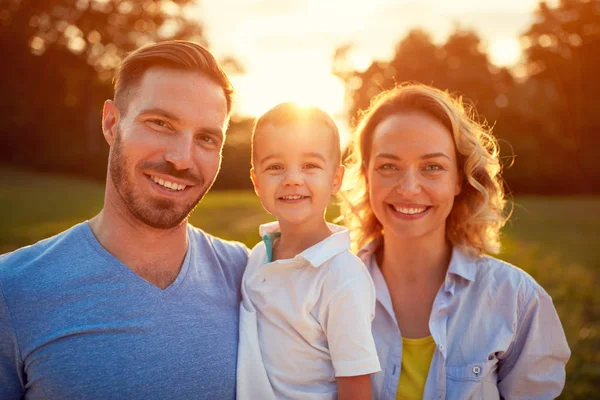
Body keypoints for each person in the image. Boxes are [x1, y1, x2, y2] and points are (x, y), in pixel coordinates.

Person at [0, 41, 249, 399]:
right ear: (112, 123)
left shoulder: (249, 276)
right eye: (161, 123)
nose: (181, 158)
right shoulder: (13, 291)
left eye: (207, 138)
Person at [339, 84, 571, 400]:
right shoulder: (328, 288)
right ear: (366, 176)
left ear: (459, 179)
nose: (408, 188)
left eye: (432, 167)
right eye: (389, 166)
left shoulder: (517, 299)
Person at [236, 102, 381, 400]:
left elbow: (356, 387)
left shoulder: (342, 276)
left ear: (336, 179)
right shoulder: (256, 257)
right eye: (275, 167)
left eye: (310, 166)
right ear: (256, 182)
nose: (292, 178)